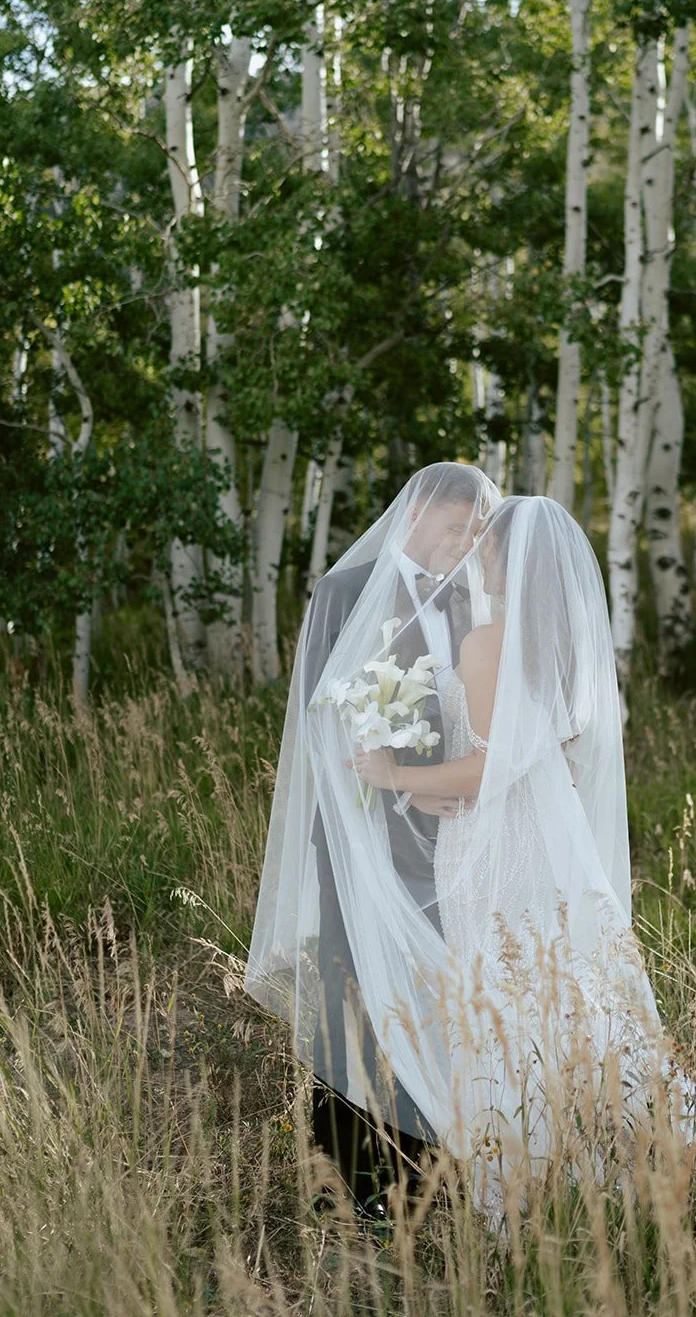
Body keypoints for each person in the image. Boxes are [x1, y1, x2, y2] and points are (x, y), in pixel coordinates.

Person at [249, 488, 696, 1277]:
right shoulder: (548, 643)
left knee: (509, 1020)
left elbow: (489, 767)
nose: (474, 549)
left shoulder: (488, 641)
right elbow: (531, 761)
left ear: (507, 558)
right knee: (548, 1019)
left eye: (483, 539)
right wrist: (421, 788)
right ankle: (574, 1179)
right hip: (517, 848)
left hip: (489, 857)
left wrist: (395, 774)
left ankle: (530, 1194)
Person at [246, 462, 500, 1219]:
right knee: (348, 997)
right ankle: (348, 1183)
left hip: (440, 836)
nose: (463, 545)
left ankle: (422, 1174)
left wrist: (442, 790)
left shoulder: (463, 600)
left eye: (473, 534)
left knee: (425, 1000)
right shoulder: (343, 592)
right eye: (456, 527)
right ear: (417, 513)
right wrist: (377, 799)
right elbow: (318, 720)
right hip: (356, 831)